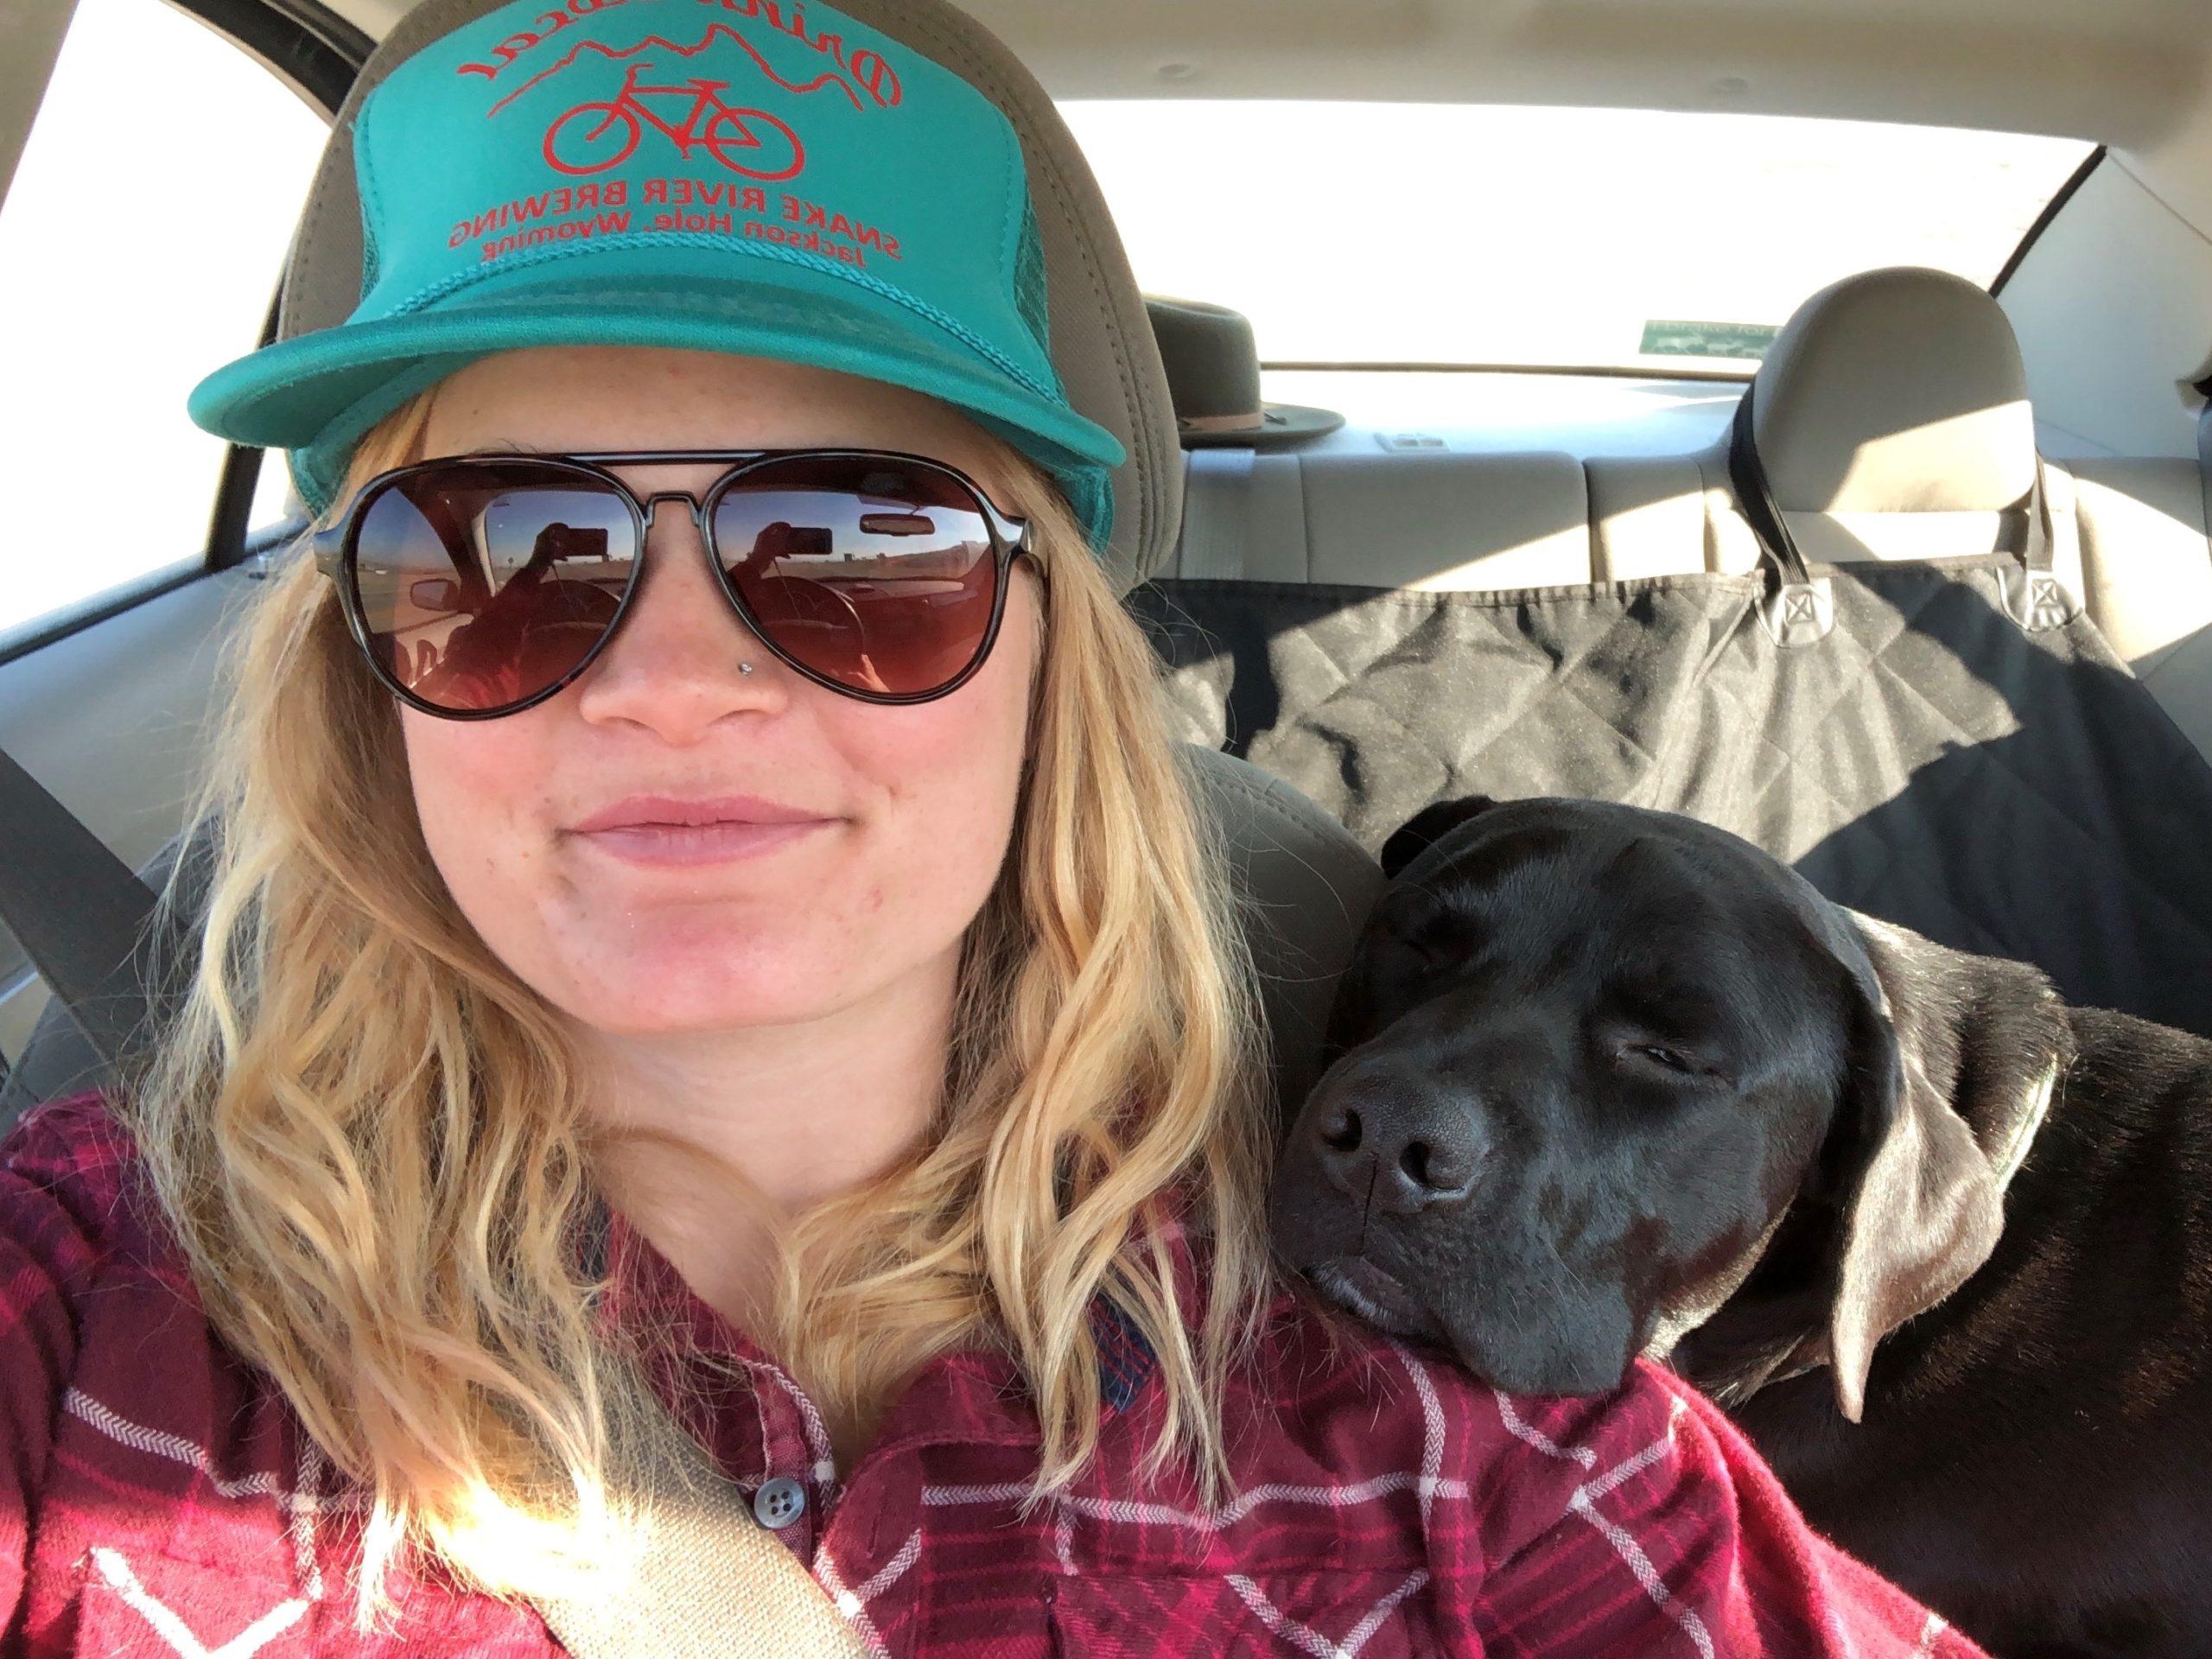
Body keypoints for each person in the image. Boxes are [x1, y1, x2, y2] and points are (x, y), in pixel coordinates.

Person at [0, 0, 1991, 1653]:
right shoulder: (83, 1322)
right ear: (368, 658)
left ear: (1053, 670)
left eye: (861, 548)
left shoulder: (1436, 1423)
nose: (672, 678)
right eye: (510, 550)